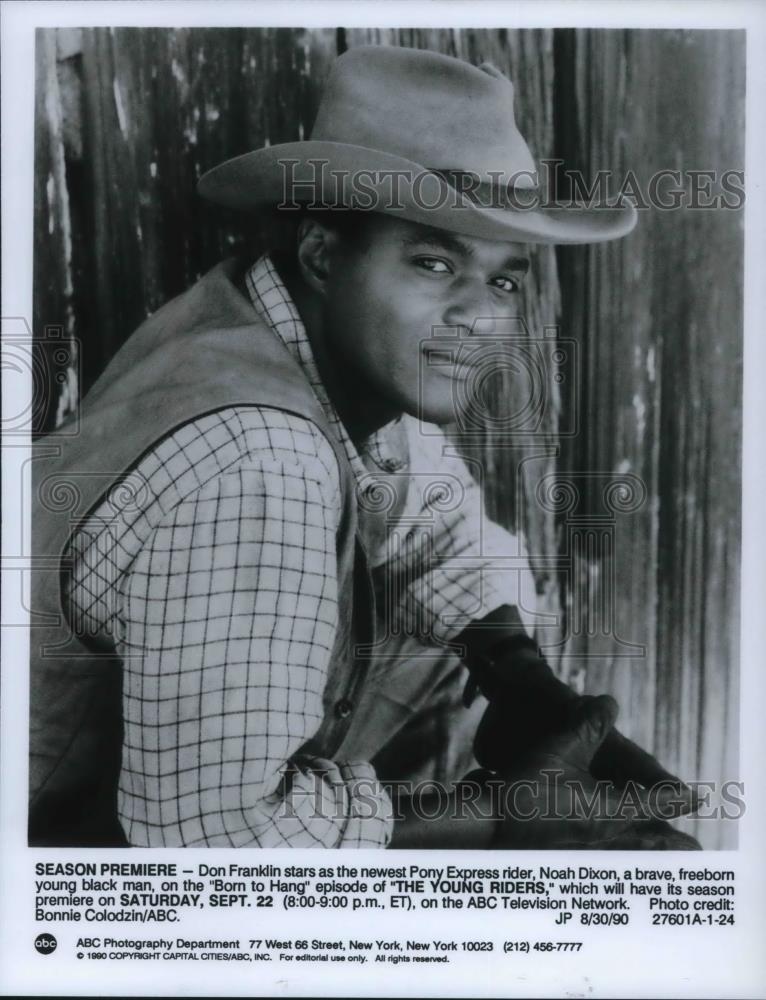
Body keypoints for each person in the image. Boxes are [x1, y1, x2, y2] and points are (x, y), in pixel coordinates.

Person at [29, 45, 699, 849]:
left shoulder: (302, 328)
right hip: (54, 867)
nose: (478, 317)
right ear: (321, 251)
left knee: (451, 655)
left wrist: (525, 684)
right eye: (433, 262)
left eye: (503, 280)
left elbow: (437, 527)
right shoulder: (259, 458)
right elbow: (213, 847)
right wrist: (503, 818)